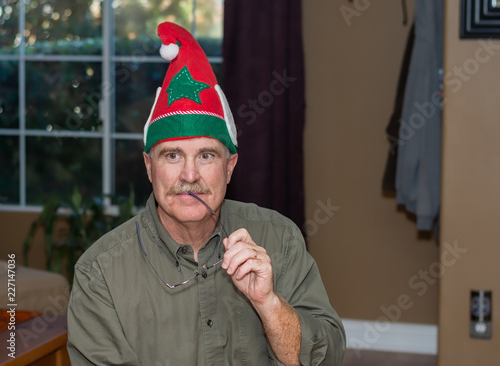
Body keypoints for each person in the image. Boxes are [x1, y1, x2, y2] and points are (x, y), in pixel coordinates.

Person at [67, 22, 346, 365]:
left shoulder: (280, 238)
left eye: (206, 155)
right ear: (149, 167)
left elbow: (328, 357)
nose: (189, 175)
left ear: (230, 167)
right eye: (172, 155)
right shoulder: (100, 274)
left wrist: (269, 303)